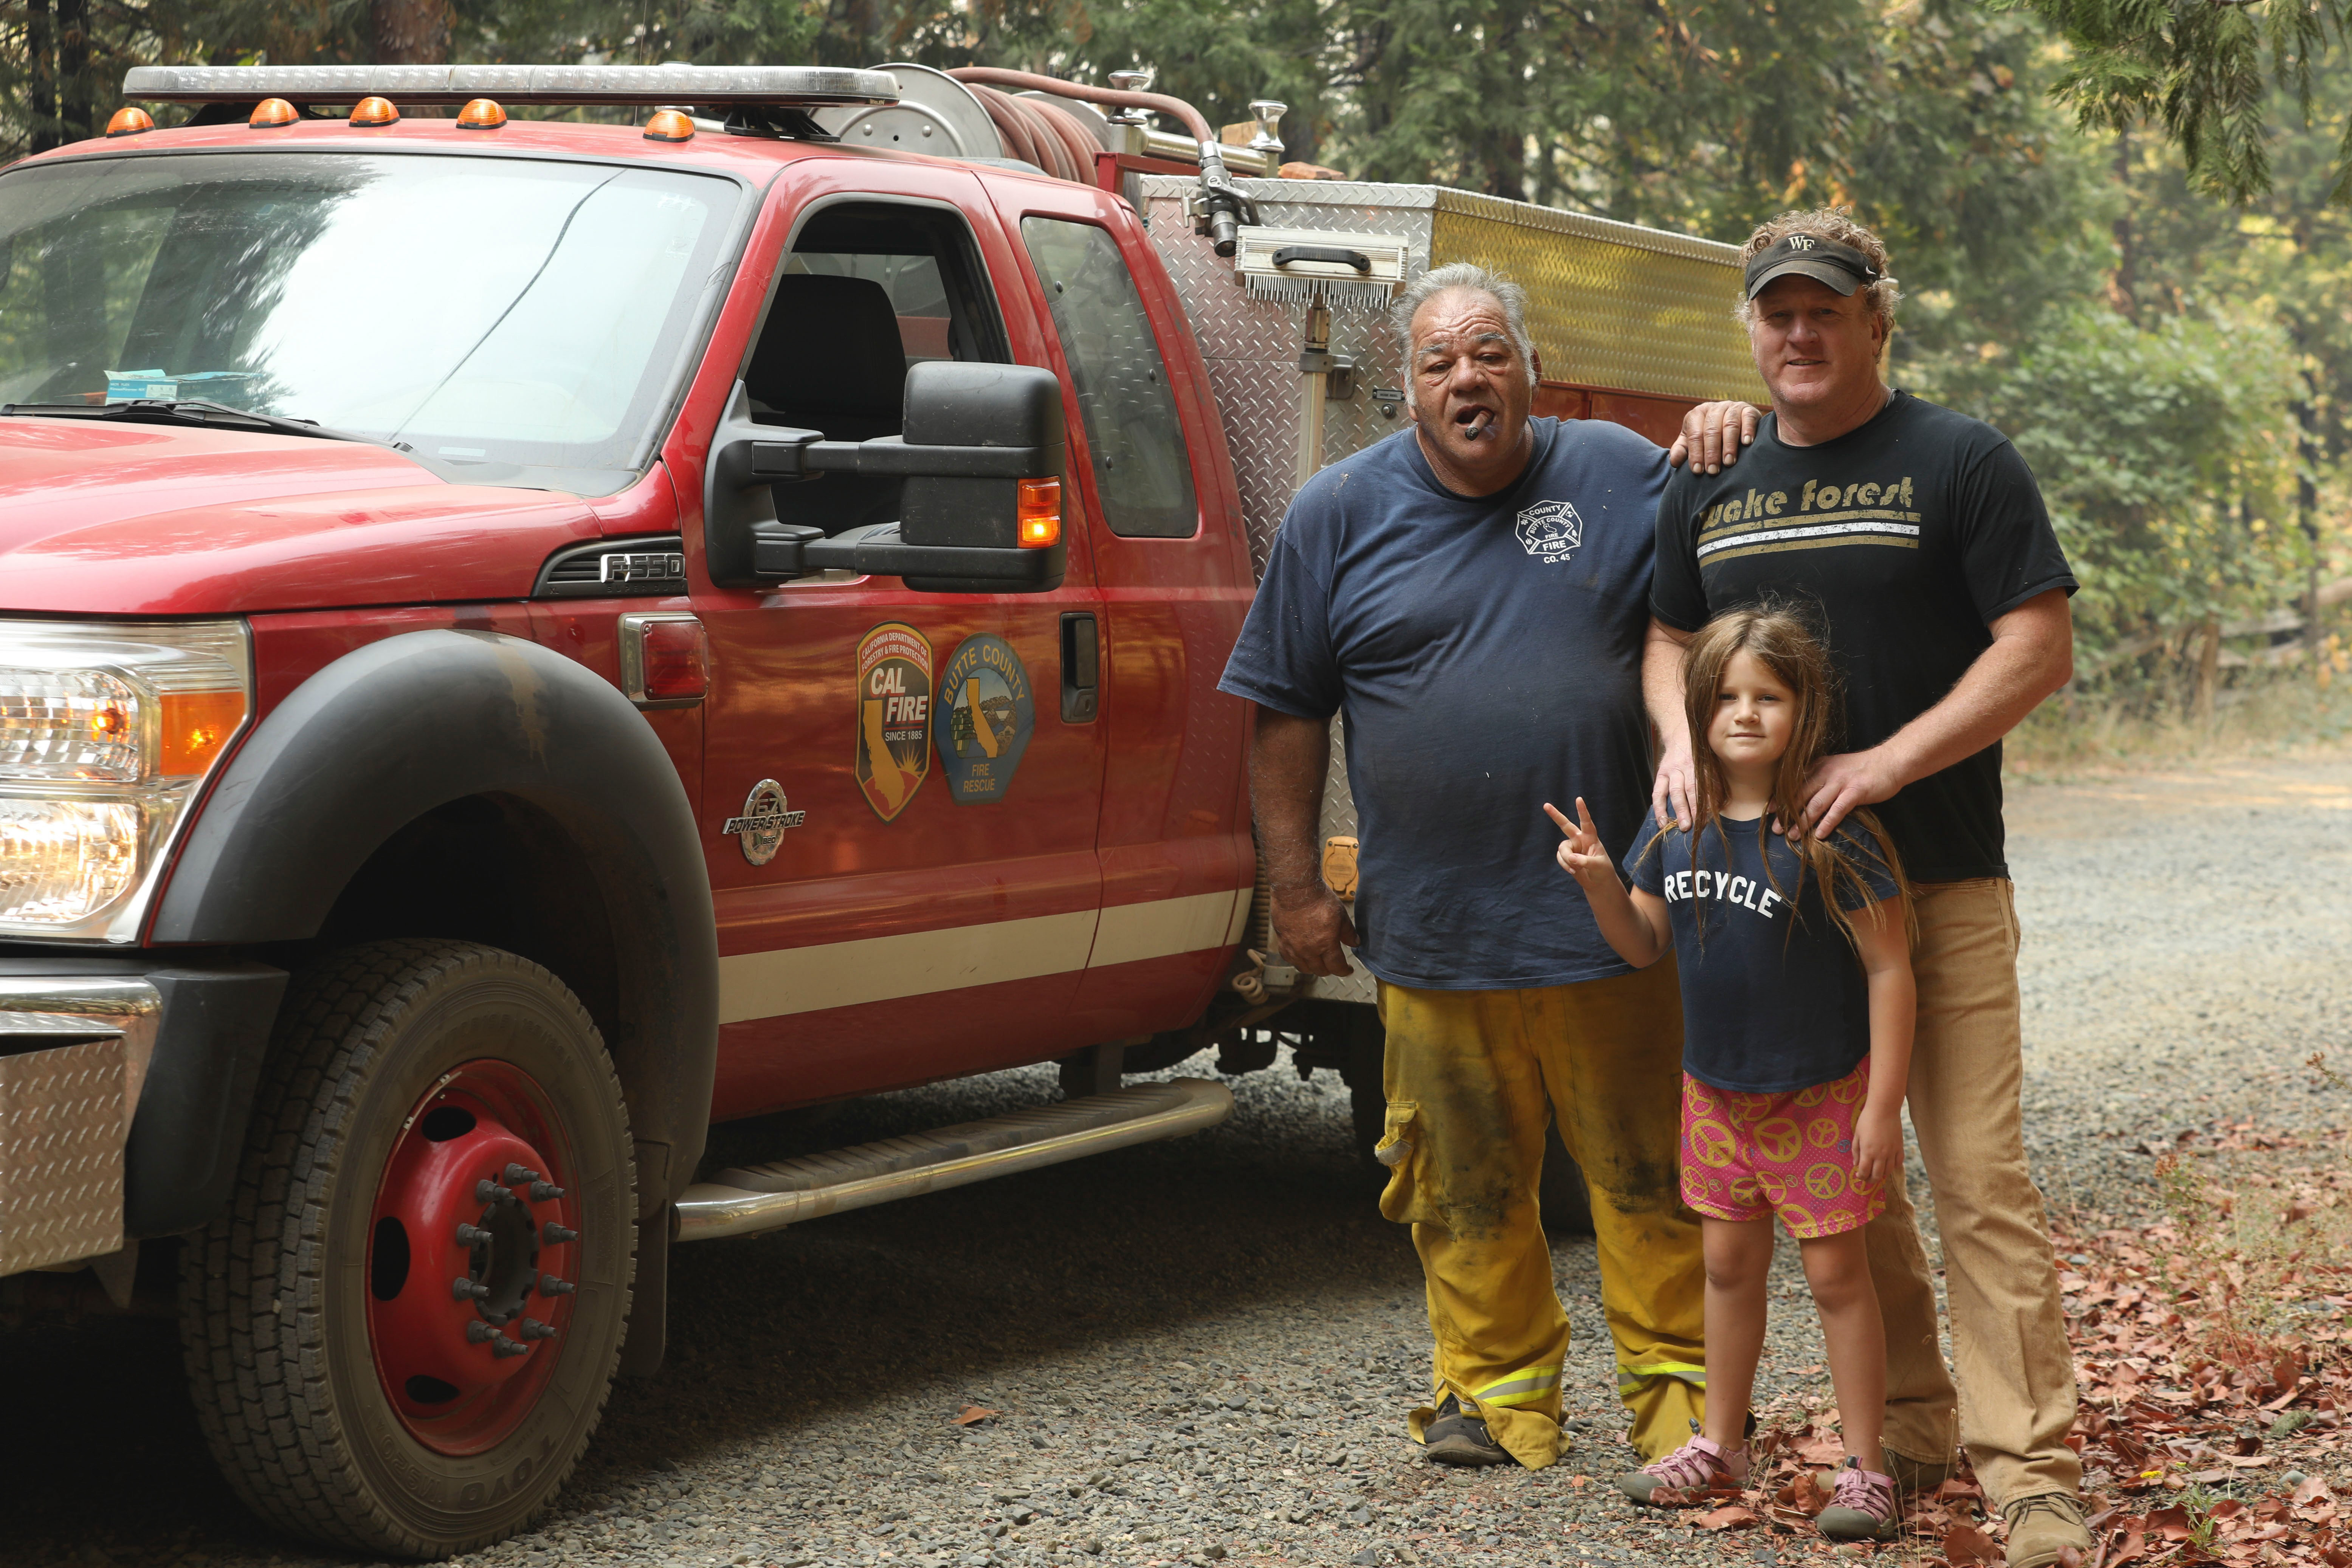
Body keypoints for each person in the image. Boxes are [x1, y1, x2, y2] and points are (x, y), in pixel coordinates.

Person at [1218, 262, 1741, 1472]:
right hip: (1434, 924)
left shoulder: (1618, 471)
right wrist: (1292, 889)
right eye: (1440, 360)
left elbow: (1732, 557)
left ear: (1531, 371)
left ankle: (1680, 1405)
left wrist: (1731, 425)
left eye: (1489, 353)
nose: (1468, 377)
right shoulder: (1336, 513)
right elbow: (1285, 712)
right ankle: (1496, 1396)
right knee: (1458, 1177)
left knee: (1647, 1170)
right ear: (1405, 390)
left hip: (1611, 918)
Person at [1648, 208, 2090, 1568]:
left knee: (1975, 1179)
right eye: (1775, 311)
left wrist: (1890, 759)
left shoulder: (1959, 460)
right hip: (1764, 916)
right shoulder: (1708, 471)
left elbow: (2040, 644)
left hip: (1933, 881)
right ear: (1752, 327)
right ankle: (1903, 1429)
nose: (1796, 332)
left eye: (1822, 310)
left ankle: (2034, 1478)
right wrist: (1673, 739)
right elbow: (1668, 636)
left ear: (1874, 318)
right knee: (1858, 1188)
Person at [1548, 606, 1913, 1543]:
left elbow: (1889, 968)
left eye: (1770, 697)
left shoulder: (1832, 827)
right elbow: (1639, 946)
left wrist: (1881, 1105)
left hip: (1821, 1094)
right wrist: (1597, 881)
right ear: (1700, 711)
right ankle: (1721, 1446)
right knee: (1725, 1267)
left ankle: (1867, 1464)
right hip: (1716, 1094)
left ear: (1805, 709)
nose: (1747, 715)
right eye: (1728, 698)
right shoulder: (1676, 821)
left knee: (1838, 1278)